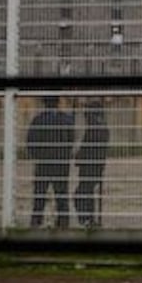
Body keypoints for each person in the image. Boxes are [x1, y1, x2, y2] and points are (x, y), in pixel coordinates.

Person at [26, 96, 75, 228]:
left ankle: (36, 222)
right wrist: (64, 155)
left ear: (45, 103)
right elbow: (71, 140)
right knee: (61, 195)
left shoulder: (38, 120)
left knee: (39, 194)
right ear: (58, 103)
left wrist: (38, 155)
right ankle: (63, 223)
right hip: (61, 164)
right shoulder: (66, 119)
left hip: (43, 163)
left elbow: (30, 141)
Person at [74, 100, 110, 228]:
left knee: (81, 193)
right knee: (87, 193)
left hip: (90, 166)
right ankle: (90, 219)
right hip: (96, 166)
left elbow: (90, 148)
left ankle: (86, 220)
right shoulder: (102, 126)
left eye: (87, 113)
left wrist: (79, 156)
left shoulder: (95, 128)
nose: (85, 115)